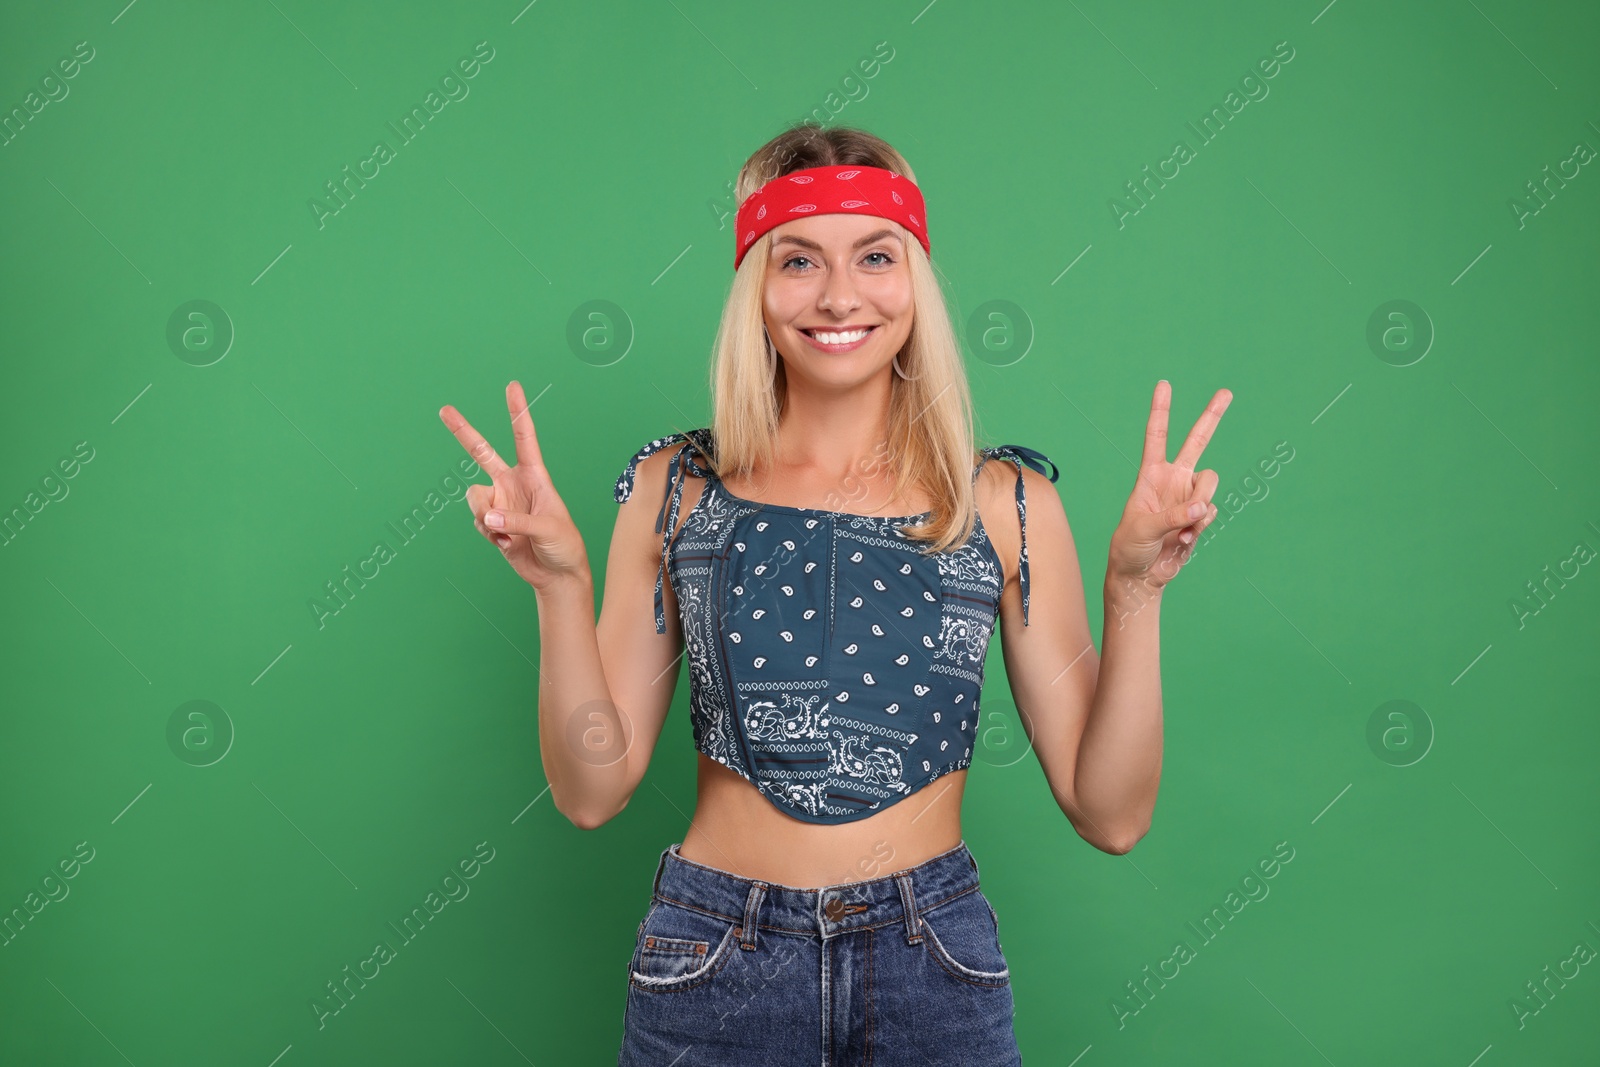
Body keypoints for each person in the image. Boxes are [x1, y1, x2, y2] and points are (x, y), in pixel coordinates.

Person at [438, 122, 1231, 1065]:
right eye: (799, 260)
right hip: (713, 962)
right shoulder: (678, 488)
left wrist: (1134, 590)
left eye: (876, 256)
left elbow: (1113, 814)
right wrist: (559, 588)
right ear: (756, 291)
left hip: (930, 963)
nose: (840, 294)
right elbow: (591, 789)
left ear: (916, 282)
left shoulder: (1007, 504)